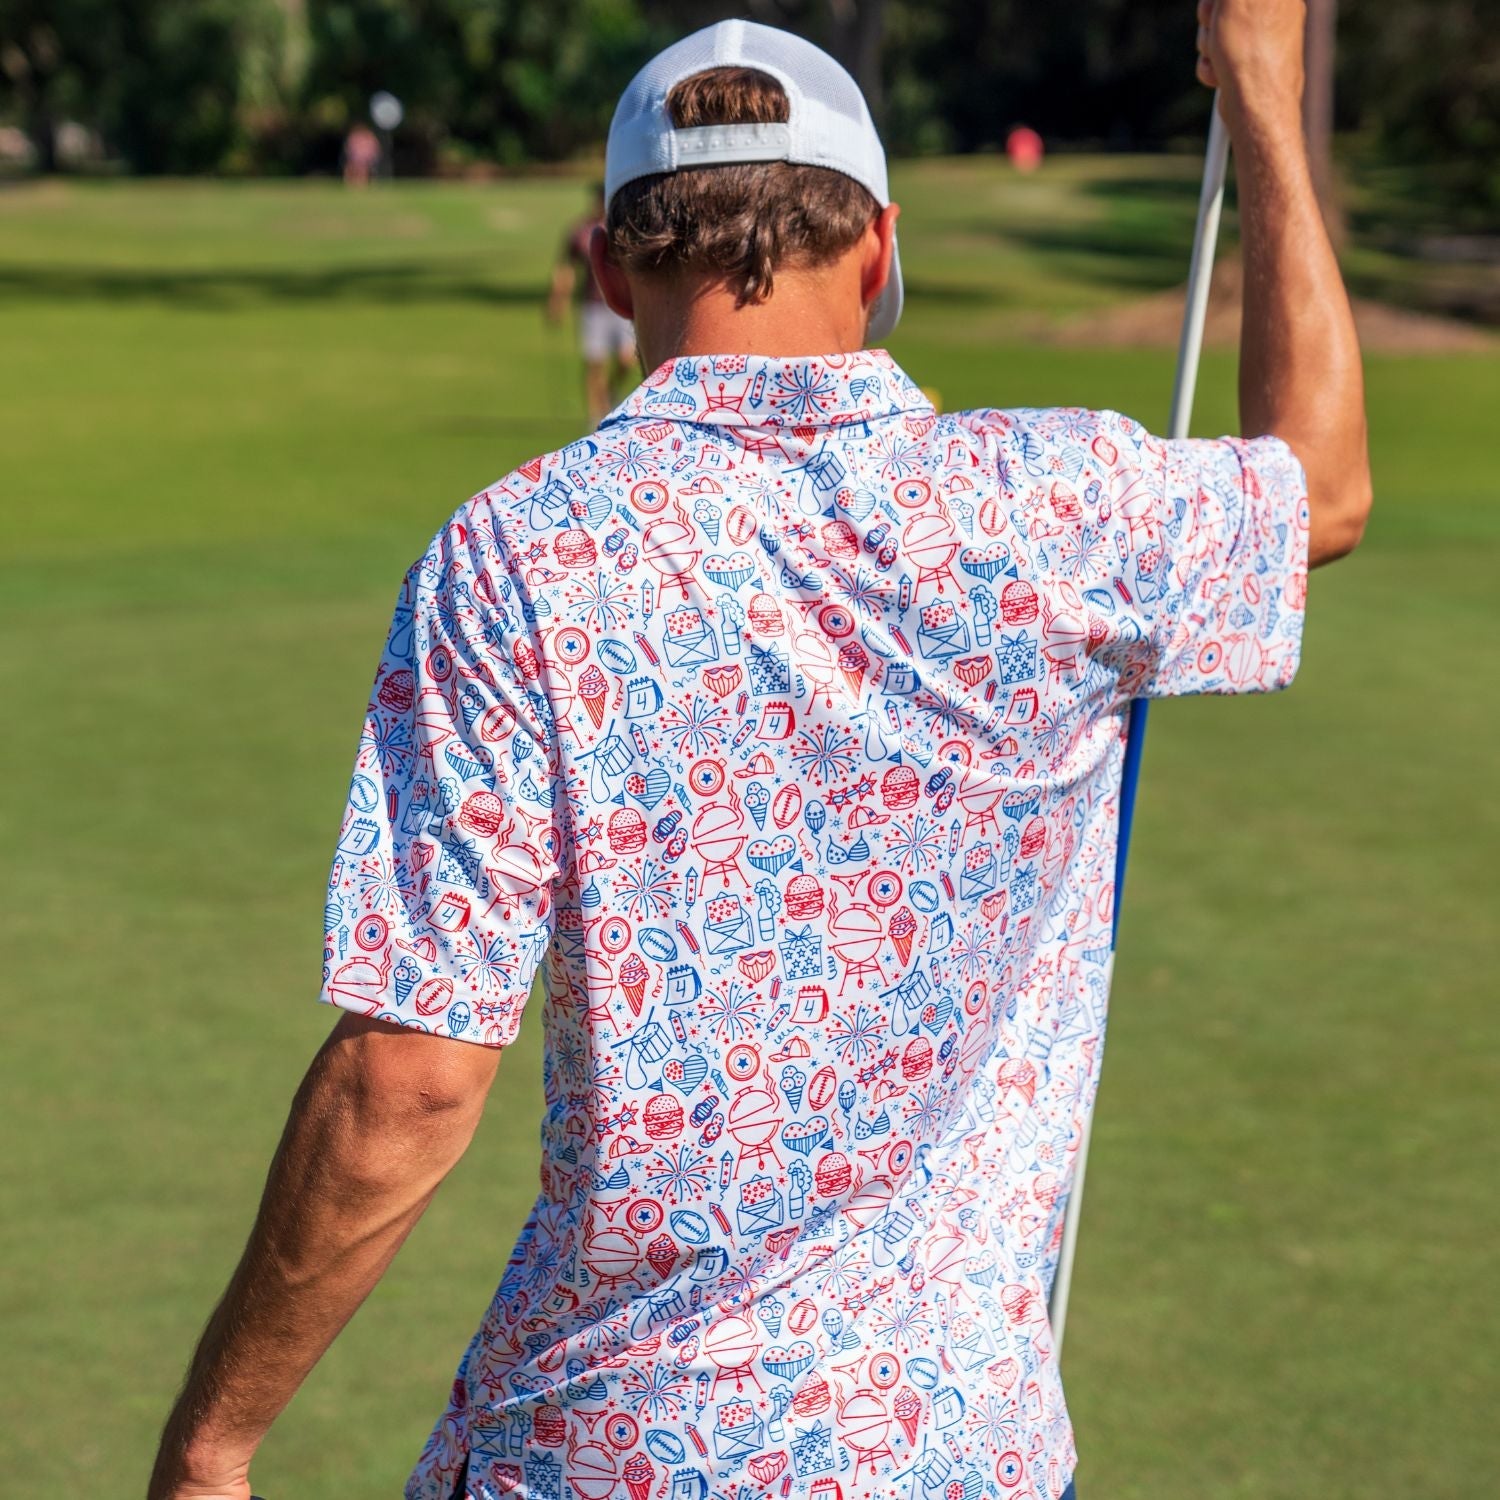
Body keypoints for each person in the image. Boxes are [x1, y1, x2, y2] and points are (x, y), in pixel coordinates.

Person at [147, 6, 1370, 1499]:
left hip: (610, 1451)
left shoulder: (516, 556)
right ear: (877, 254)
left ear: (609, 267)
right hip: (958, 1456)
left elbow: (411, 1080)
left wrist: (212, 1447)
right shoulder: (1061, 509)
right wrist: (1262, 88)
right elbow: (1324, 481)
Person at [548, 182, 639, 425]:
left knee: (626, 358)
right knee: (594, 362)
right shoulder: (580, 231)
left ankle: (608, 392)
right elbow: (566, 267)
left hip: (620, 305)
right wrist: (558, 299)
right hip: (593, 305)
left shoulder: (624, 228)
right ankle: (595, 417)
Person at [342, 123, 381, 188]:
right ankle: (350, 183)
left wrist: (369, 157)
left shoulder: (369, 136)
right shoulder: (354, 136)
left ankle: (361, 184)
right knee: (350, 167)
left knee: (362, 167)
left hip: (366, 158)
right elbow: (349, 148)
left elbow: (374, 149)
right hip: (355, 158)